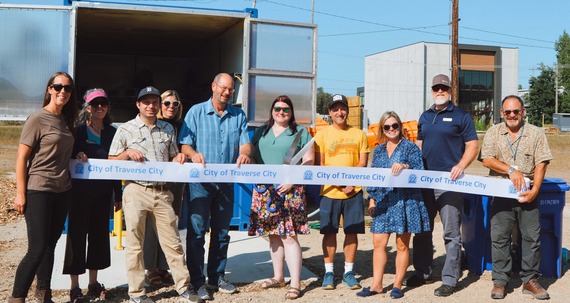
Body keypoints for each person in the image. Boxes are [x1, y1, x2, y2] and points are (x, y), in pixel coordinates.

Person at [108, 86, 202, 303]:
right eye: (146, 102)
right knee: (134, 244)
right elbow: (111, 160)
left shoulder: (168, 129)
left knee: (173, 243)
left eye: (154, 102)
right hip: (136, 191)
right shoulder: (125, 130)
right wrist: (126, 153)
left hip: (161, 193)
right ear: (138, 105)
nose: (151, 106)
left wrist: (178, 158)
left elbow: (172, 159)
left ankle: (184, 287)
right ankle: (137, 293)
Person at [179, 73, 253, 301]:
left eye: (230, 89)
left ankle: (217, 277)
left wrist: (244, 155)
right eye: (223, 88)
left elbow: (246, 145)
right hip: (200, 185)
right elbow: (184, 145)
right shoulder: (196, 112)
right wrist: (192, 154)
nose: (227, 92)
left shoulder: (238, 115)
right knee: (197, 234)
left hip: (226, 185)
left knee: (222, 233)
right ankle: (197, 280)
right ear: (213, 86)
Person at [406, 74, 478, 297]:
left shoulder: (461, 116)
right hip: (425, 182)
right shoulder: (425, 117)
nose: (439, 91)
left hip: (450, 182)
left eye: (443, 88)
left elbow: (473, 145)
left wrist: (461, 165)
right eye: (436, 88)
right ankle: (422, 272)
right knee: (423, 229)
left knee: (451, 233)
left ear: (450, 90)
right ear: (432, 90)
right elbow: (419, 144)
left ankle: (450, 278)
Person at [9, 72, 78, 303]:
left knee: (50, 245)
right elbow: (21, 158)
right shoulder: (37, 118)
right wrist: (21, 193)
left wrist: (78, 153)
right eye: (58, 86)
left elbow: (63, 150)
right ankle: (17, 298)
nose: (63, 92)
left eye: (67, 88)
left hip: (62, 191)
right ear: (49, 89)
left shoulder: (67, 121)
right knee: (37, 249)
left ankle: (44, 294)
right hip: (39, 189)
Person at [480, 95, 552, 300]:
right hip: (502, 192)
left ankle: (529, 280)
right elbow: (486, 159)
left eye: (516, 111)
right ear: (502, 113)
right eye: (508, 112)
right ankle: (500, 281)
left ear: (523, 112)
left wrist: (535, 190)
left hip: (527, 192)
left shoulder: (536, 133)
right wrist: (510, 169)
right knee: (500, 236)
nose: (512, 115)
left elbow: (542, 163)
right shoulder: (494, 132)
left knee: (531, 237)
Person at [357, 111, 430, 299]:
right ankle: (376, 284)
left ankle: (397, 285)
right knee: (378, 243)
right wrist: (372, 200)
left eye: (394, 125)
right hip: (383, 201)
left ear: (400, 127)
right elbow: (374, 177)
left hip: (405, 201)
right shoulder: (379, 149)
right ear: (382, 129)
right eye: (387, 127)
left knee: (402, 245)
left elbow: (419, 171)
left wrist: (405, 167)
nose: (391, 129)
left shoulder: (410, 148)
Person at [248, 95, 314, 300]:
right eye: (277, 108)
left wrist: (293, 181)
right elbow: (251, 155)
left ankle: (295, 282)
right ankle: (278, 277)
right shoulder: (261, 132)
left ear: (291, 112)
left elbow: (309, 160)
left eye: (286, 109)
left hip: (289, 190)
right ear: (272, 110)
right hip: (264, 189)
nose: (281, 112)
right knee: (273, 235)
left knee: (289, 237)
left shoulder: (301, 132)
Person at [63, 88, 122, 302]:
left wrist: (118, 194)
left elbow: (115, 165)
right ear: (87, 107)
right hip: (79, 195)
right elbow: (67, 156)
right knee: (76, 238)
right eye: (95, 104)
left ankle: (93, 284)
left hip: (102, 195)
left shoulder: (113, 133)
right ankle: (75, 287)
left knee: (98, 239)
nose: (100, 108)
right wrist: (76, 154)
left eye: (103, 104)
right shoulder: (77, 131)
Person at [314, 94, 369, 291]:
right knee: (329, 232)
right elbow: (320, 165)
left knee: (351, 232)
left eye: (342, 108)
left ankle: (348, 272)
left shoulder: (360, 134)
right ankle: (329, 272)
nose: (340, 112)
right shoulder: (322, 135)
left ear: (348, 111)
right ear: (330, 112)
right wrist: (339, 184)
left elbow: (362, 162)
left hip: (353, 192)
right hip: (330, 191)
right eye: (335, 109)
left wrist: (351, 185)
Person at [143, 89, 185, 287]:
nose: (171, 107)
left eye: (175, 104)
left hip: (175, 183)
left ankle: (163, 267)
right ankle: (150, 268)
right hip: (154, 183)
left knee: (169, 226)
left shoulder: (179, 127)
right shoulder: (155, 126)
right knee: (152, 226)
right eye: (167, 103)